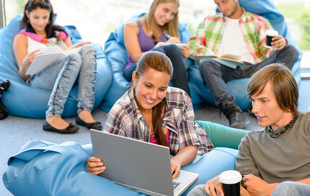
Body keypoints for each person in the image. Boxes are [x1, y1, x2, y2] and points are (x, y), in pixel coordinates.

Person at [86, 51, 246, 177]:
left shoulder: (179, 97)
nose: (154, 95)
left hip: (203, 133)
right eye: (148, 86)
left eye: (162, 89)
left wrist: (176, 161)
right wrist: (96, 165)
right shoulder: (120, 113)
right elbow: (110, 159)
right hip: (194, 156)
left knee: (256, 140)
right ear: (135, 78)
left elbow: (191, 146)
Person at [187, 63, 310, 196]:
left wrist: (270, 189)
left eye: (263, 100)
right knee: (201, 191)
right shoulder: (250, 142)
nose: (254, 109)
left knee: (287, 189)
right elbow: (251, 190)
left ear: (287, 99)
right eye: (253, 100)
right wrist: (227, 182)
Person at [187, 0, 299, 129]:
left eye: (225, 1)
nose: (222, 8)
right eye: (218, 4)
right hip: (225, 68)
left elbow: (267, 48)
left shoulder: (257, 21)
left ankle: (268, 99)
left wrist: (278, 43)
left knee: (290, 50)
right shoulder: (209, 21)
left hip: (255, 68)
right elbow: (193, 43)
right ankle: (232, 111)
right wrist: (211, 55)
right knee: (206, 63)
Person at [13, 0, 102, 134]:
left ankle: (84, 111)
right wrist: (26, 63)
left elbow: (71, 54)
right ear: (27, 15)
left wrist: (77, 47)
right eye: (36, 17)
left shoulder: (60, 34)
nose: (40, 22)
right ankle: (53, 115)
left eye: (45, 17)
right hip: (40, 78)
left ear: (50, 16)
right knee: (73, 58)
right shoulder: (22, 38)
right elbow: (23, 75)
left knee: (88, 49)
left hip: (69, 72)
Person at [123, 0, 191, 96]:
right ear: (154, 4)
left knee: (172, 48)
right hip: (135, 68)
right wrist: (162, 48)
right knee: (158, 52)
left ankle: (186, 103)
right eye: (165, 10)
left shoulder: (168, 29)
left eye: (172, 14)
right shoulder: (131, 26)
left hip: (162, 70)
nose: (168, 17)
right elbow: (136, 57)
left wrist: (182, 52)